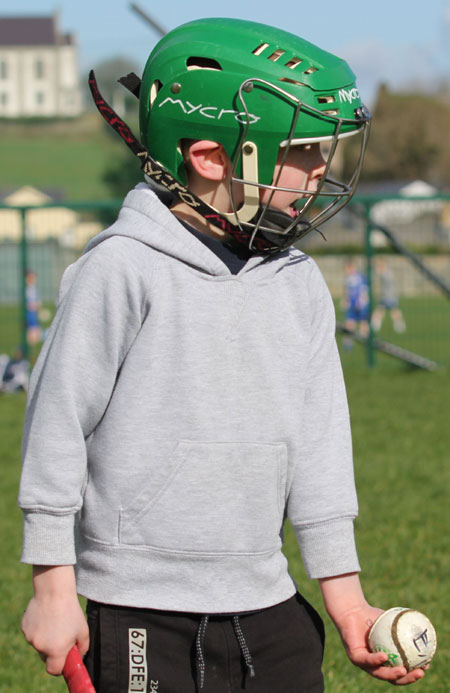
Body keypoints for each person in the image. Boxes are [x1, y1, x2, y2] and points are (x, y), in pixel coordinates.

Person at [19, 18, 426, 692]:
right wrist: (54, 585)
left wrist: (347, 599)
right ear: (211, 157)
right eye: (302, 151)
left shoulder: (298, 283)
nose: (323, 169)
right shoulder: (121, 270)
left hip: (270, 605)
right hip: (143, 607)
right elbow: (57, 426)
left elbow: (322, 451)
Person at [372, 256, 406, 333]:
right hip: (385, 296)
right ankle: (376, 324)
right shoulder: (385, 272)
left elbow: (385, 280)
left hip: (389, 296)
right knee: (381, 309)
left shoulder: (387, 273)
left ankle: (399, 324)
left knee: (393, 310)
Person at [342, 258, 370, 350]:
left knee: (363, 323)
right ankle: (348, 343)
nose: (347, 271)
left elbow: (364, 290)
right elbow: (347, 291)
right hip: (352, 305)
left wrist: (363, 301)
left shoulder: (360, 277)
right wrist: (346, 300)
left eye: (348, 268)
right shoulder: (348, 279)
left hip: (361, 305)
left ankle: (366, 342)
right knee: (349, 323)